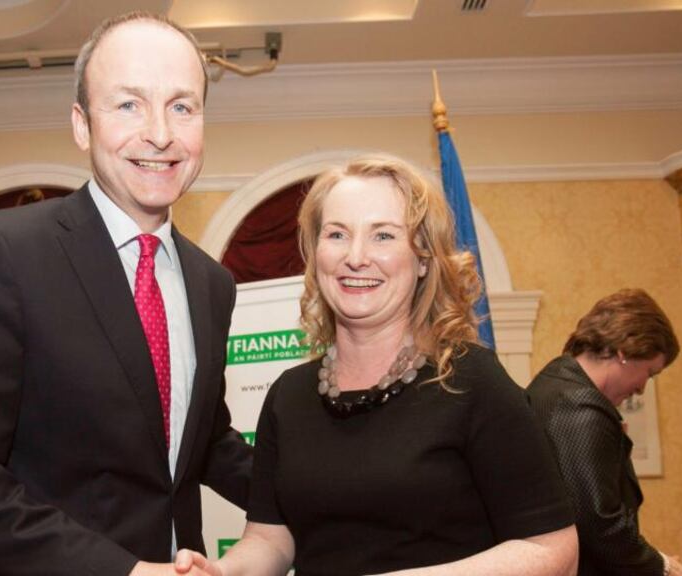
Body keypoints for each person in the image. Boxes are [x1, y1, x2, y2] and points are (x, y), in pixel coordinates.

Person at [0, 11, 252, 576]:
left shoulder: (212, 284)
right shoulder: (2, 250)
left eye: (182, 106)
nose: (160, 133)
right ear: (82, 125)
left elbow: (201, 441)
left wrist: (328, 495)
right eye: (128, 104)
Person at [176, 153, 578, 576]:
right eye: (336, 234)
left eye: (383, 236)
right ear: (315, 254)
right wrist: (221, 573)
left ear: (423, 257)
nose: (356, 256)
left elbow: (554, 550)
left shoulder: (473, 381)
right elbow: (270, 539)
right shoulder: (289, 395)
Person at [526, 289, 682, 576]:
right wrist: (665, 567)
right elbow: (597, 521)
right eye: (650, 372)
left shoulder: (555, 381)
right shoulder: (580, 407)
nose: (643, 388)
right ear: (626, 352)